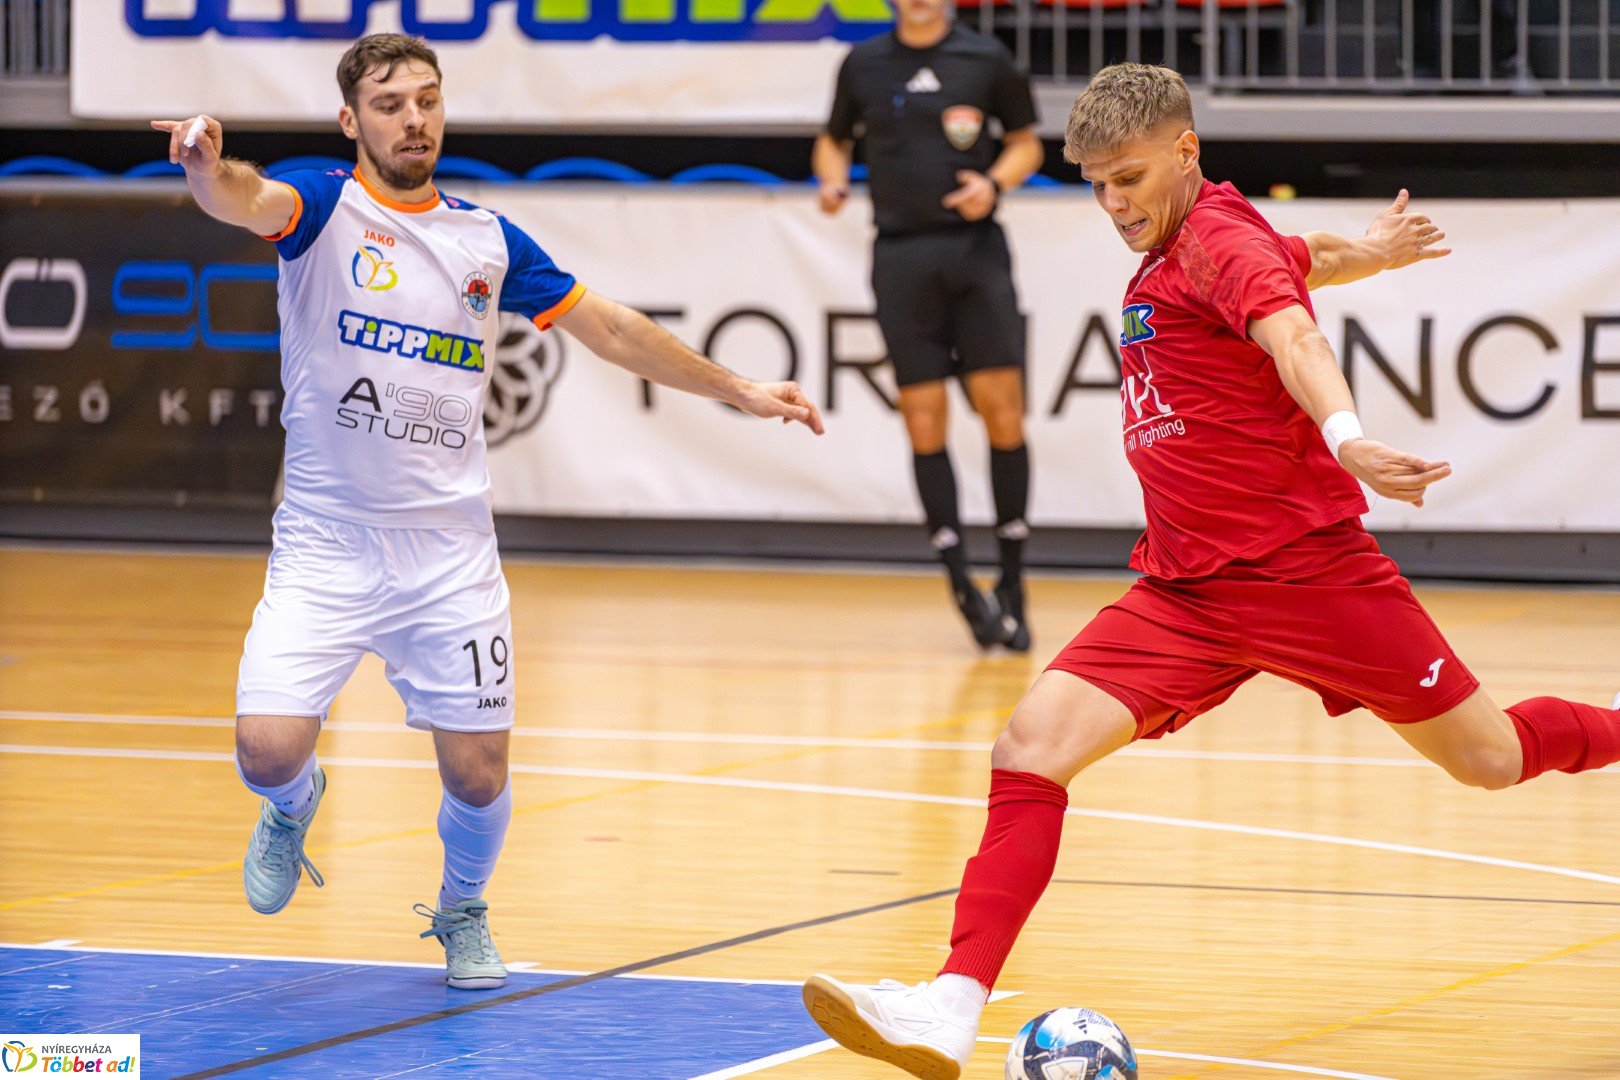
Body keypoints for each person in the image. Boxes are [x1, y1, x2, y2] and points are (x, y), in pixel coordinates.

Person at [801, 62, 1620, 1079]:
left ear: (1186, 151)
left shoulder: (1219, 238)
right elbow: (1303, 254)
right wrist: (1370, 250)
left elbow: (1289, 331)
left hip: (1305, 575)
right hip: (1186, 590)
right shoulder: (1207, 237)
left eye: (1130, 179)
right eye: (1097, 184)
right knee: (1029, 747)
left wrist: (1350, 434)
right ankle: (949, 1007)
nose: (1113, 204)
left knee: (1488, 758)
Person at [151, 32, 823, 992]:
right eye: (389, 104)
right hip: (325, 543)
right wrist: (206, 168)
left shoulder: (489, 239)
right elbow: (242, 200)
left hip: (447, 554)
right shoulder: (322, 204)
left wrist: (741, 389)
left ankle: (463, 909)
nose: (412, 117)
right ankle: (294, 805)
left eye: (426, 99)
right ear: (352, 122)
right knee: (265, 753)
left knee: (477, 775)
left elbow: (613, 329)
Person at [813, 0, 1045, 651]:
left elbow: (1027, 142)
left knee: (1002, 410)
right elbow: (833, 140)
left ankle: (1013, 582)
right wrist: (832, 183)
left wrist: (994, 183)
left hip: (975, 253)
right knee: (923, 418)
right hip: (900, 255)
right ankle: (959, 583)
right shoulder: (863, 63)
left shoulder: (985, 58)